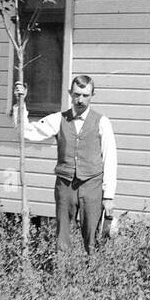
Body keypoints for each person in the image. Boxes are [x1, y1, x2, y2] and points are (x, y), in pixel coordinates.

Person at [14, 75, 116, 254]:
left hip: (92, 186)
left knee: (92, 237)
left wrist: (108, 196)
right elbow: (27, 132)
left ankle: (91, 275)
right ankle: (61, 276)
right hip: (65, 185)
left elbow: (110, 159)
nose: (80, 100)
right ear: (70, 93)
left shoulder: (102, 122)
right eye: (77, 94)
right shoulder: (58, 119)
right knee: (62, 236)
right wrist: (20, 103)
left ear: (93, 95)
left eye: (85, 95)